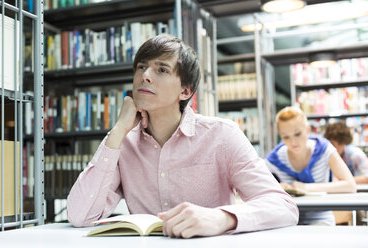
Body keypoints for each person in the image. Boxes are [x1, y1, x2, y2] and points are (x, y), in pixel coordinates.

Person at [67, 34, 298, 238]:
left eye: (162, 69)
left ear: (185, 91)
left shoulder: (222, 135)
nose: (145, 75)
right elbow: (80, 215)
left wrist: (221, 218)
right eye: (141, 67)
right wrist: (117, 131)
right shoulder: (123, 141)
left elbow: (283, 206)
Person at [266, 106, 356, 225]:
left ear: (308, 129)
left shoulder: (324, 149)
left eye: (297, 134)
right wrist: (277, 189)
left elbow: (350, 185)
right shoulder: (274, 159)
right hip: (288, 221)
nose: (293, 142)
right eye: (285, 137)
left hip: (321, 218)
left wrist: (305, 187)